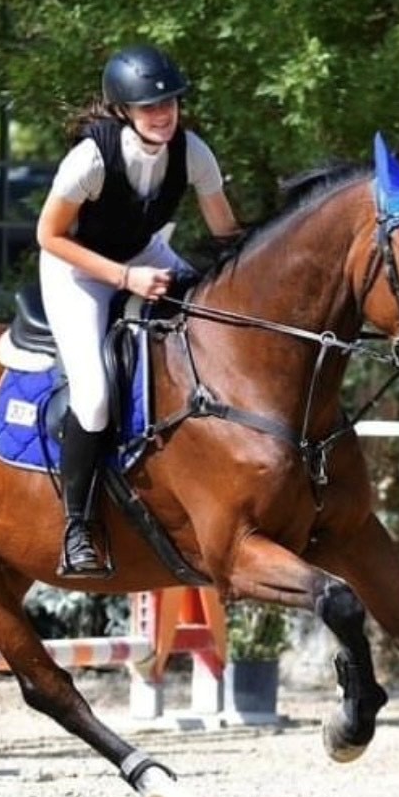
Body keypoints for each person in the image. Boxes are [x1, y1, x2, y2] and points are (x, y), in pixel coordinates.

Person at [36, 43, 242, 577]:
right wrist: (126, 279)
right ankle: (77, 527)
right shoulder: (90, 159)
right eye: (150, 107)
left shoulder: (192, 152)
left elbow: (227, 235)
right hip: (76, 270)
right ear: (123, 110)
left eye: (170, 103)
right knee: (96, 395)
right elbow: (49, 237)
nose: (163, 114)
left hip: (143, 253)